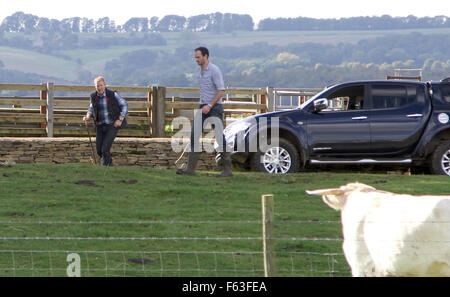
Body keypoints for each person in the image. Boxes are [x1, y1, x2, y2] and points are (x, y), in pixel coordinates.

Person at [176, 46, 233, 177]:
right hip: (202, 107)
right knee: (194, 135)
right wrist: (203, 105)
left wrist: (209, 105)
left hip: (214, 108)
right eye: (195, 57)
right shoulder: (200, 71)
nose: (196, 59)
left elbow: (221, 91)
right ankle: (190, 169)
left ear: (206, 56)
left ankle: (227, 170)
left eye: (198, 57)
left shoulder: (214, 70)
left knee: (219, 137)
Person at [83, 76, 128, 166]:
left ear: (105, 85)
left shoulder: (112, 94)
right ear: (95, 87)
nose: (99, 88)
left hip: (113, 125)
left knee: (104, 150)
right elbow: (91, 109)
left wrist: (120, 119)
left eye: (101, 85)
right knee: (99, 151)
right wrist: (87, 116)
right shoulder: (93, 96)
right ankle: (110, 162)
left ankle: (104, 168)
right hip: (100, 125)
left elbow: (125, 105)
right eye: (97, 86)